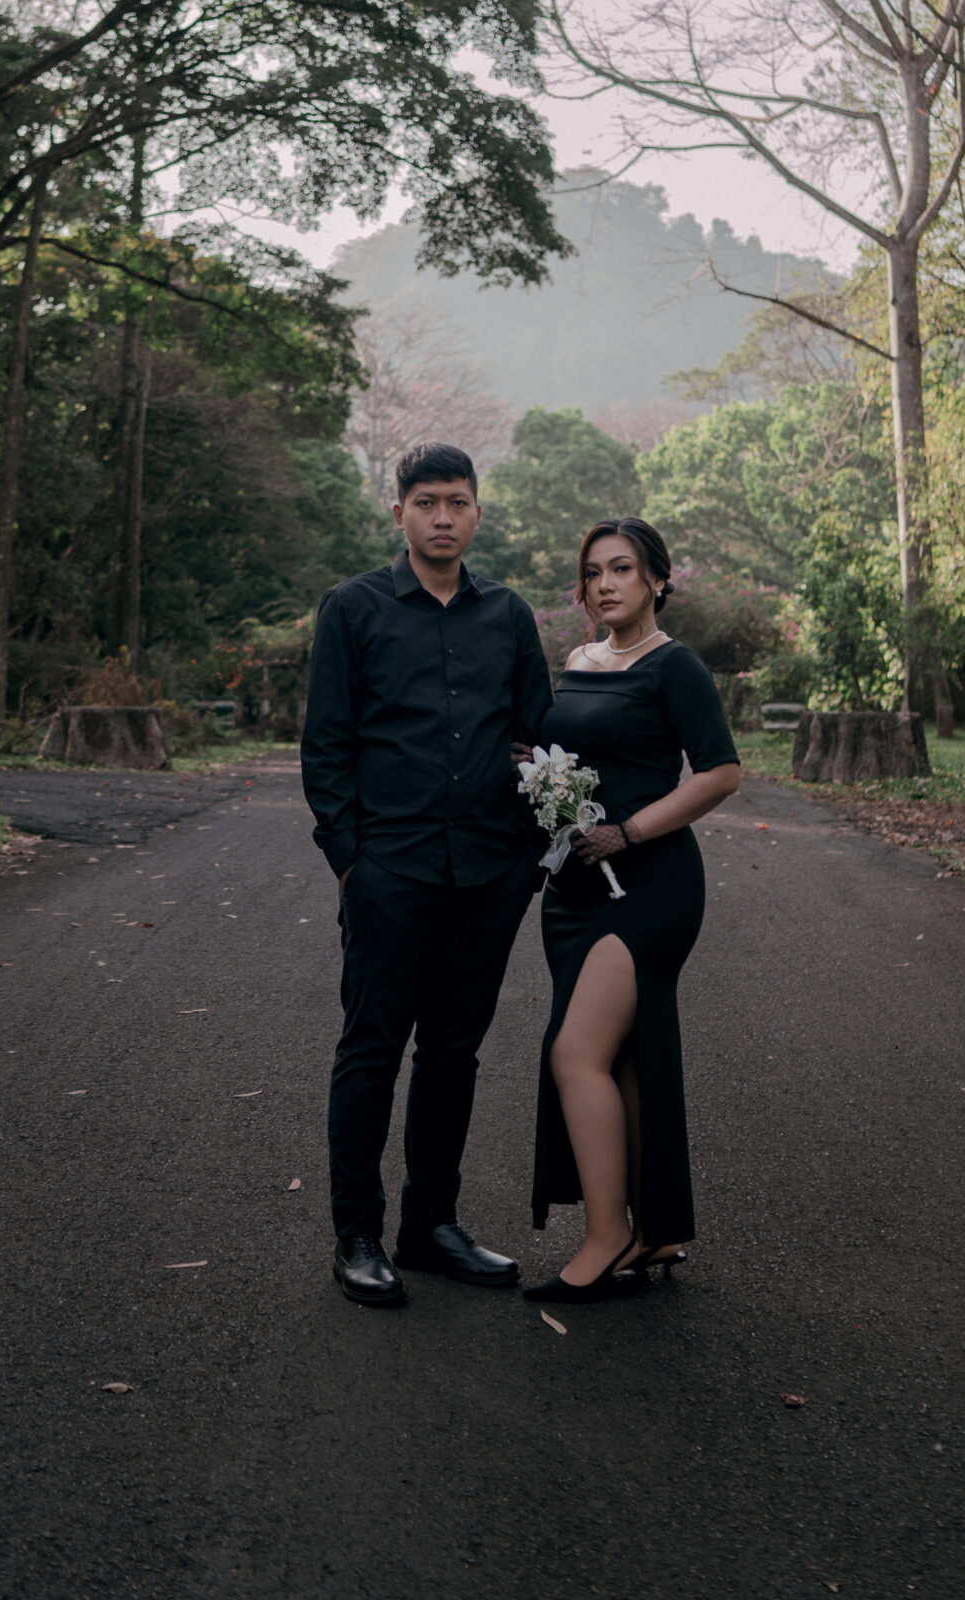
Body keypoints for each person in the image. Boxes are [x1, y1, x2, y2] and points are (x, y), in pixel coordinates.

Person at [301, 440, 554, 1310]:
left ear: (477, 511)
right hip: (389, 871)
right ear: (399, 512)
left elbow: (538, 736)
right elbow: (327, 744)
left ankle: (430, 1226)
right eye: (425, 502)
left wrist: (525, 859)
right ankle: (356, 1235)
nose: (442, 517)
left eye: (457, 502)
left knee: (453, 1053)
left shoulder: (507, 614)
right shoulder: (354, 608)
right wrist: (349, 863)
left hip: (487, 872)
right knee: (370, 1049)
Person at [524, 516, 741, 1304]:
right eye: (592, 572)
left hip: (647, 886)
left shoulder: (674, 666)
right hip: (575, 889)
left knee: (574, 1053)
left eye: (621, 568)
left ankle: (606, 1236)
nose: (605, 584)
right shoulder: (577, 662)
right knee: (621, 1058)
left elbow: (719, 772)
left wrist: (629, 831)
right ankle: (657, 1229)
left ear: (656, 579)